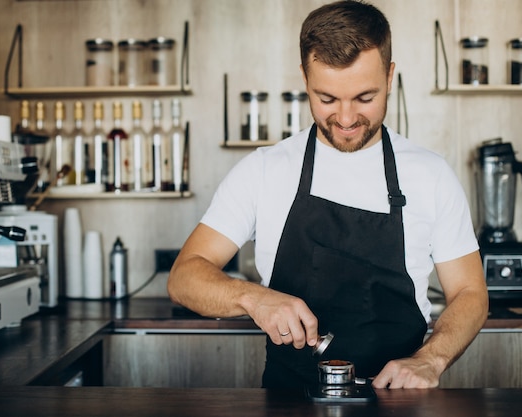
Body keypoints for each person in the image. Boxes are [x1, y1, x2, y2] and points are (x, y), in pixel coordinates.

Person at [168, 0, 488, 390]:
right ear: (305, 78)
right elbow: (185, 276)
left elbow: (470, 293)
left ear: (390, 77)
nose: (348, 118)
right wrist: (255, 299)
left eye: (365, 98)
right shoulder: (265, 169)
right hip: (287, 400)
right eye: (328, 99)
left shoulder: (430, 174)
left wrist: (430, 360)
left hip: (400, 399)